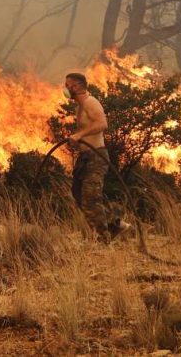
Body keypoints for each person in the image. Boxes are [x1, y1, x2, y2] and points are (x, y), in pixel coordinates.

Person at [64, 72, 127, 238]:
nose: (66, 89)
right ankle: (116, 224)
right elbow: (88, 130)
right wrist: (78, 139)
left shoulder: (90, 102)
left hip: (97, 156)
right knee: (78, 193)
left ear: (76, 87)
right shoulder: (79, 107)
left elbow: (102, 124)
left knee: (90, 195)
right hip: (85, 157)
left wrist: (78, 135)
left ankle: (103, 235)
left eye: (68, 85)